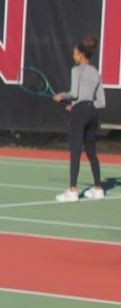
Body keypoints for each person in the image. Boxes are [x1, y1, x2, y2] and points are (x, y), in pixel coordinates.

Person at [52, 35, 106, 201]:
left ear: (82, 54)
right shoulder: (96, 73)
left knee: (75, 151)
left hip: (81, 112)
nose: (74, 56)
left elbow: (74, 93)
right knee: (91, 151)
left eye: (75, 53)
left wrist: (62, 96)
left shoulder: (76, 70)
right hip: (92, 113)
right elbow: (101, 102)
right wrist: (80, 106)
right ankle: (98, 189)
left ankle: (72, 190)